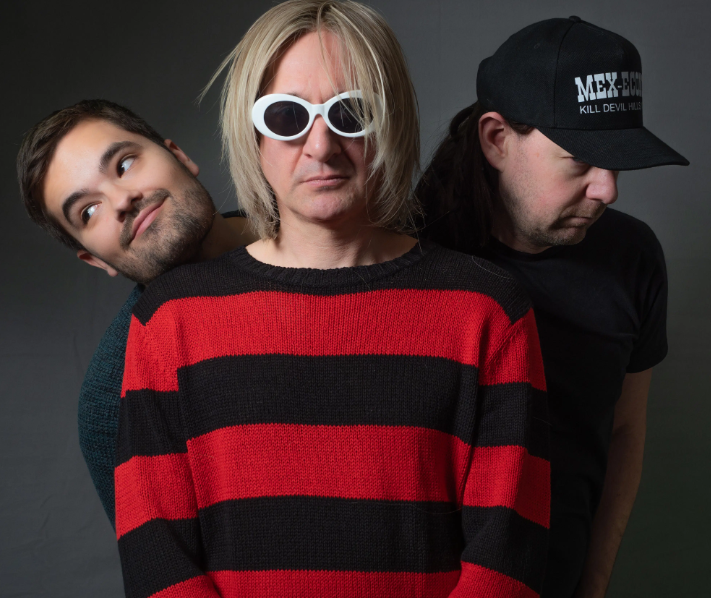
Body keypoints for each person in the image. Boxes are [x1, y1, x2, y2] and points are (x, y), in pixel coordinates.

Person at [116, 1, 550, 597]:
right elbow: (154, 551)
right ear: (252, 133)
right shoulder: (170, 320)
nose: (320, 146)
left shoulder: (487, 310)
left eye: (351, 112)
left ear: (390, 122)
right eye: (287, 116)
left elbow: (507, 555)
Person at [416, 16, 689, 598]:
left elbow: (623, 432)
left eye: (616, 161)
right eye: (580, 160)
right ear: (497, 140)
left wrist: (593, 583)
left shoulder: (633, 258)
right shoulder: (411, 254)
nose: (608, 189)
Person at [16, 99, 257, 526]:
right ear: (95, 260)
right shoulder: (114, 399)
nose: (122, 200)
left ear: (179, 155)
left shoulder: (335, 237)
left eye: (125, 165)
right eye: (89, 211)